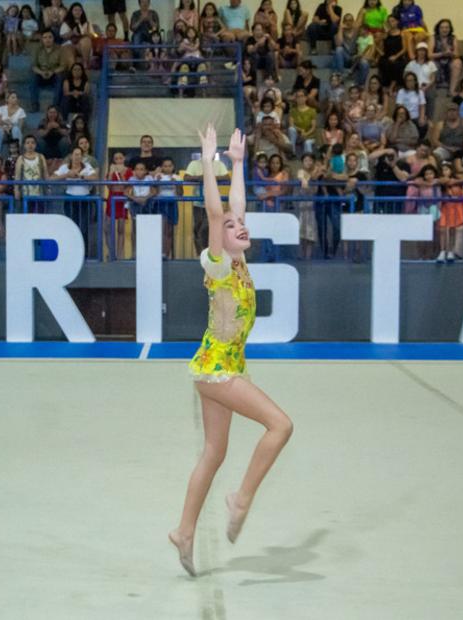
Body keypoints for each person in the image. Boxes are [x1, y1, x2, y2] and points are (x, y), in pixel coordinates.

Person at [169, 124, 293, 577]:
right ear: (217, 238)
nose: (239, 225)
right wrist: (209, 162)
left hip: (218, 368)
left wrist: (239, 163)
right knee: (280, 425)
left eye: (243, 226)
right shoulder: (218, 264)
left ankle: (184, 531)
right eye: (231, 227)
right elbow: (217, 208)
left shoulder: (238, 262)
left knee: (214, 453)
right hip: (219, 371)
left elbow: (235, 205)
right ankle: (241, 498)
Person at [30, 30, 63, 112]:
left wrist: (53, 72)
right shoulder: (38, 50)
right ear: (42, 39)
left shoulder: (59, 49)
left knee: (60, 78)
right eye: (45, 38)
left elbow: (63, 66)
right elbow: (33, 66)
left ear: (53, 39)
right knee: (33, 77)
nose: (47, 40)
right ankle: (34, 104)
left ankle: (55, 106)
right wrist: (41, 72)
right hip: (41, 74)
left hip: (54, 74)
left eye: (50, 37)